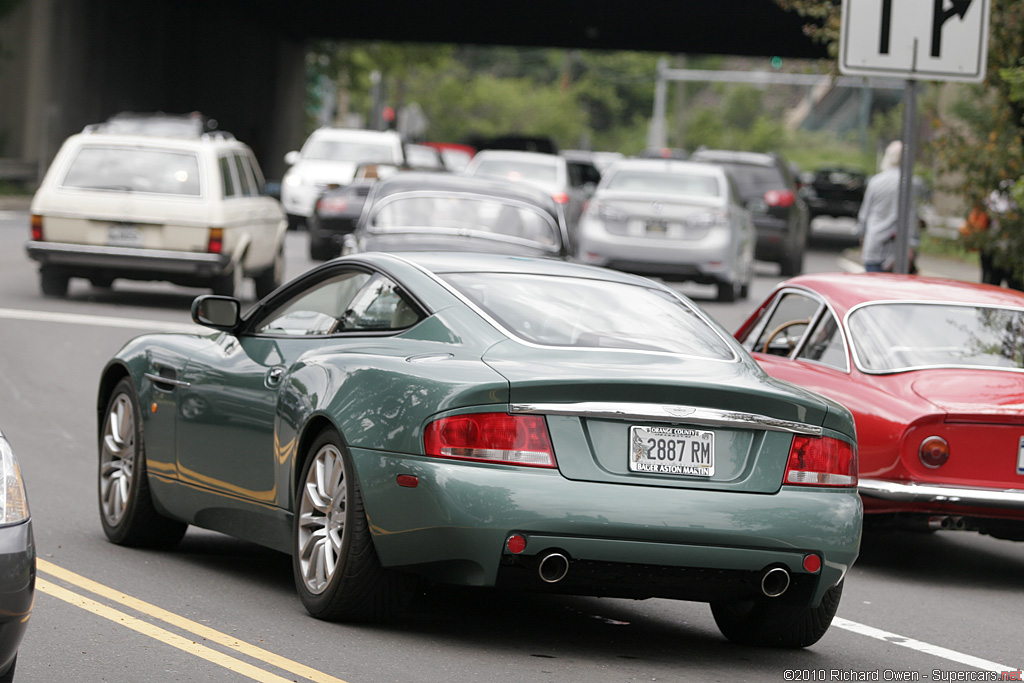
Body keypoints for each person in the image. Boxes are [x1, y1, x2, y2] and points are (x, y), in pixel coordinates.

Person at [857, 141, 919, 272]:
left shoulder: (875, 181)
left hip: (874, 245)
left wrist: (863, 243)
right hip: (898, 251)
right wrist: (912, 245)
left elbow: (864, 216)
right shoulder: (909, 182)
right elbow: (911, 217)